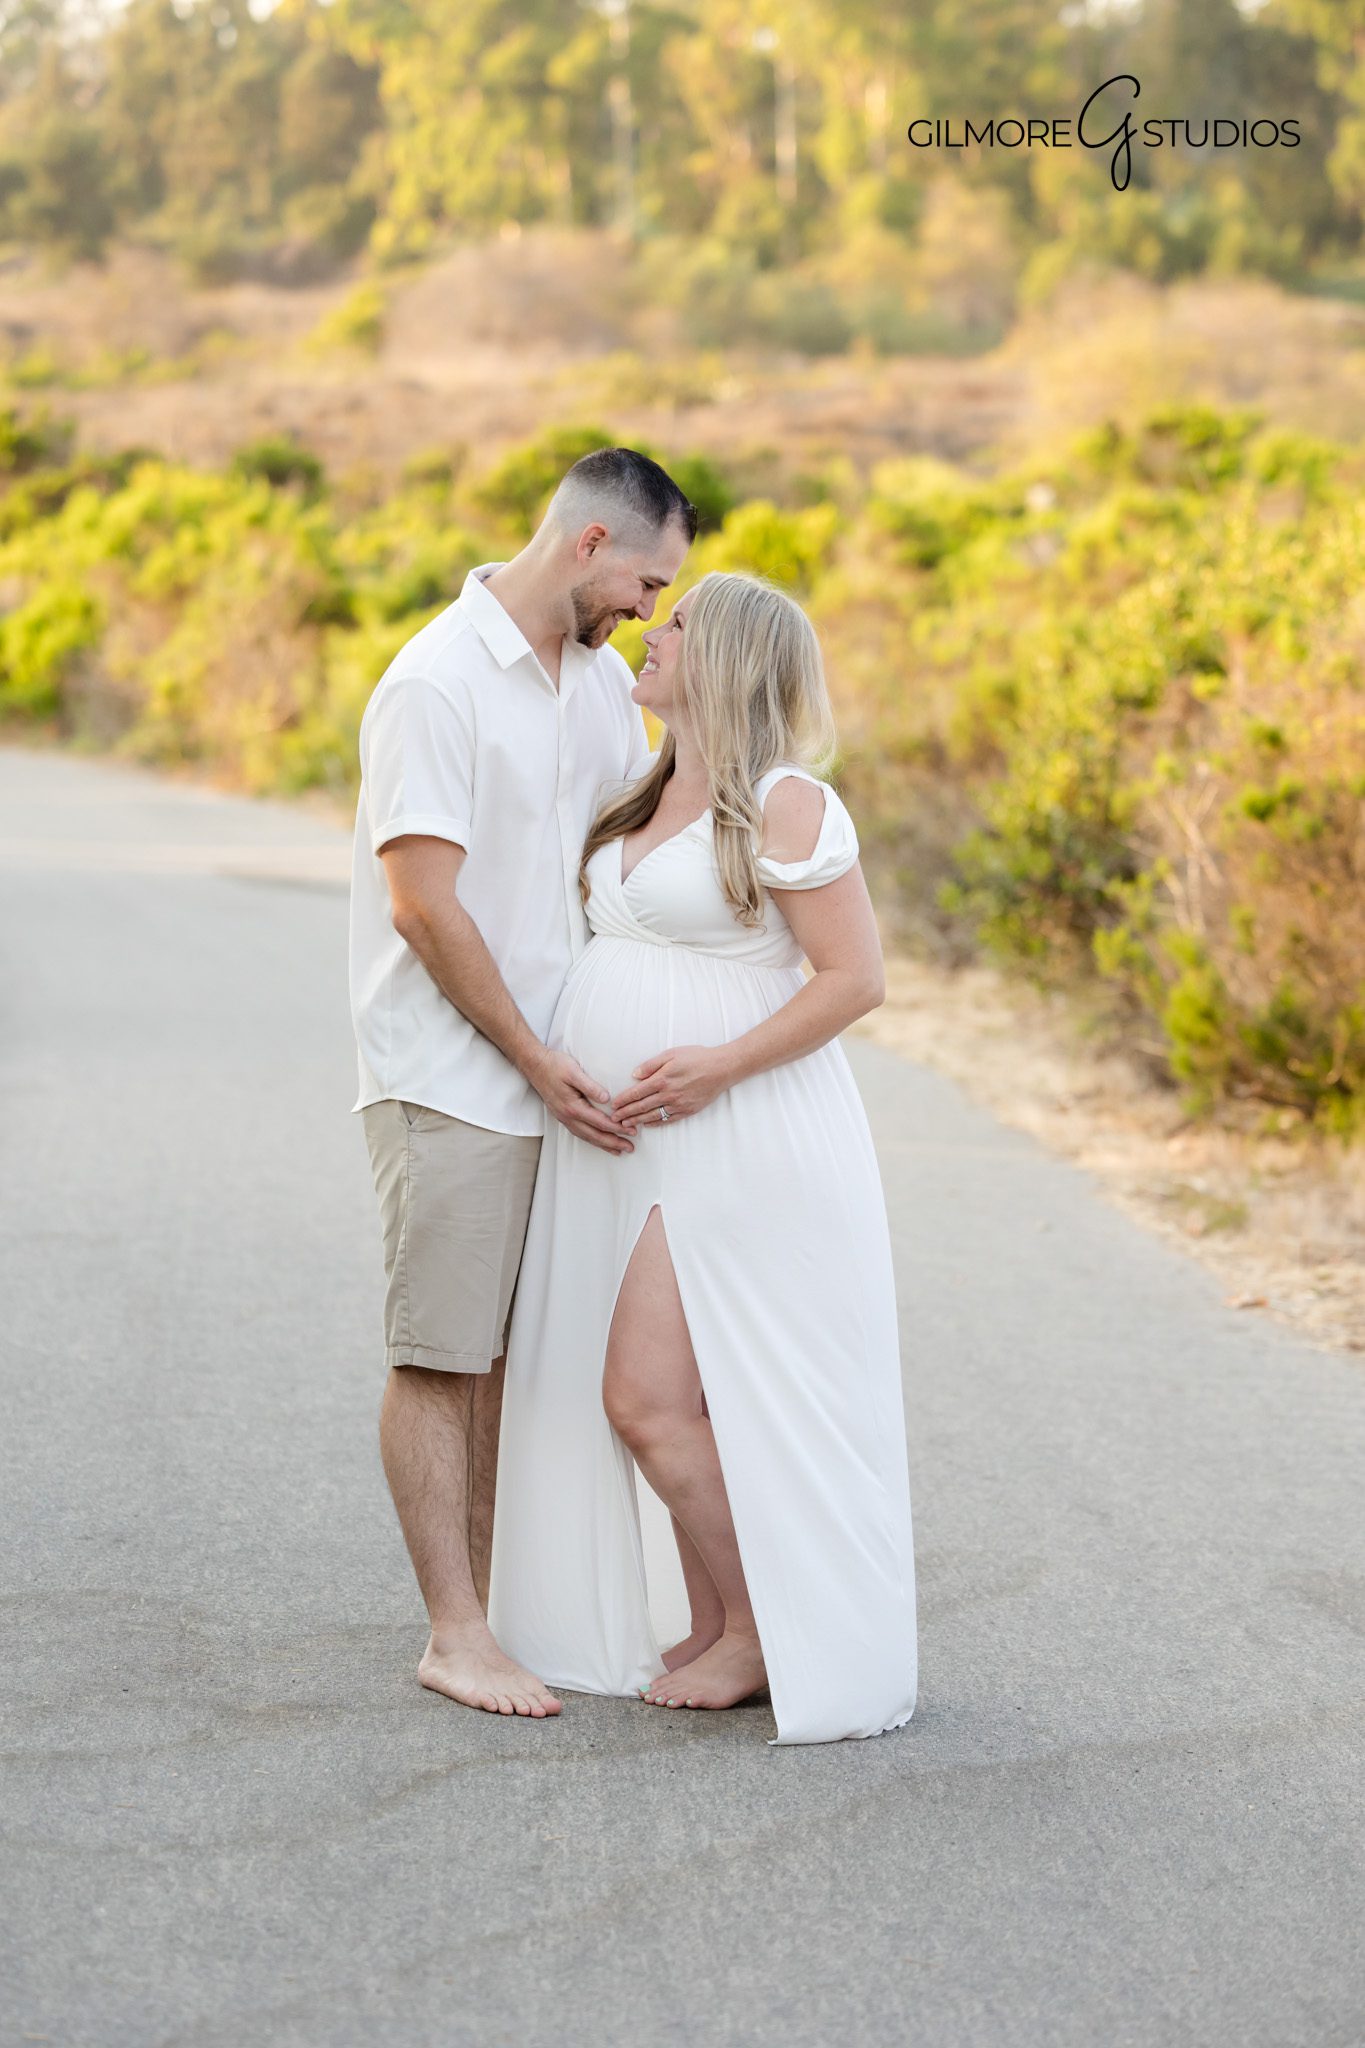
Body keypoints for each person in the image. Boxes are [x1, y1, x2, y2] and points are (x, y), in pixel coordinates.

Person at [488, 570, 917, 1745]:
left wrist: (721, 1064)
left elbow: (854, 978)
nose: (647, 633)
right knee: (684, 1390)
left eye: (670, 625)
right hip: (624, 1141)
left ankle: (767, 1625)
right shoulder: (640, 793)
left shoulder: (785, 803)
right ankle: (727, 1615)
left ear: (721, 655)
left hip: (738, 1132)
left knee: (648, 1396)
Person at [348, 447, 696, 1718]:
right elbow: (423, 904)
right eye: (649, 580)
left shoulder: (600, 689)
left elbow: (634, 849)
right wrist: (535, 1056)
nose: (648, 610)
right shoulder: (437, 682)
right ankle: (454, 1630)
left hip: (563, 1077)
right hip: (454, 1075)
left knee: (514, 1356)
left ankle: (492, 1602)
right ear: (592, 544)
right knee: (443, 1353)